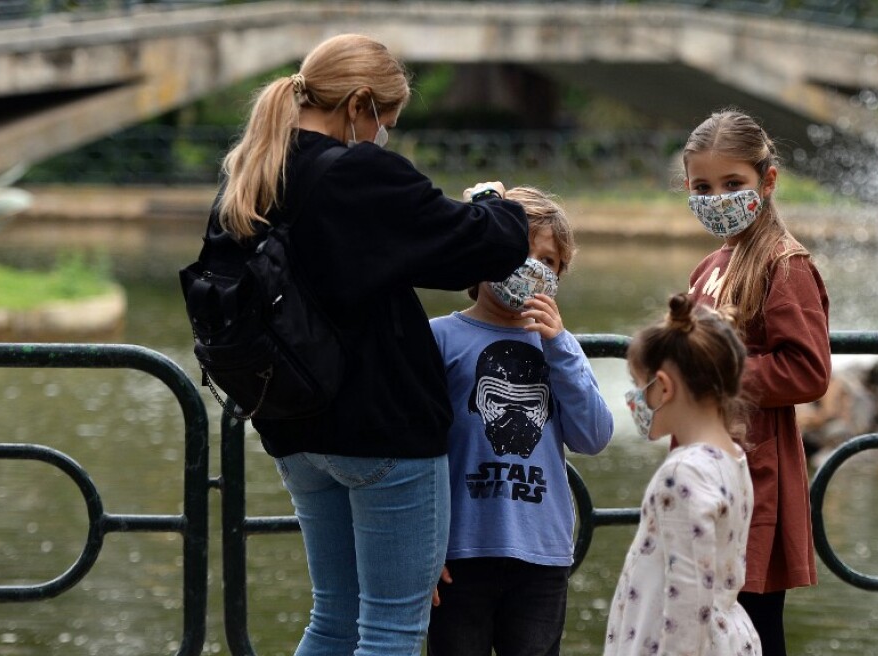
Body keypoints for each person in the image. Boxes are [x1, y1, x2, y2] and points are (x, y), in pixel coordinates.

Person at [205, 34, 529, 655]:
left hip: (293, 424)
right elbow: (488, 244)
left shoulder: (251, 172)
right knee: (391, 628)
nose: (385, 134)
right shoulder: (356, 172)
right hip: (382, 430)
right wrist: (496, 202)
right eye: (387, 120)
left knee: (332, 619)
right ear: (360, 105)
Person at [426, 186, 614, 656]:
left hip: (542, 555)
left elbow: (594, 435)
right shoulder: (440, 339)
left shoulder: (558, 349)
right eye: (519, 251)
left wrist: (561, 346)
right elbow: (413, 451)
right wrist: (422, 550)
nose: (532, 267)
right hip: (458, 554)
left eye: (548, 261)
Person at [681, 109, 832, 656]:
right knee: (706, 625)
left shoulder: (783, 264)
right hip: (701, 470)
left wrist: (715, 371)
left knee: (754, 625)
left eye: (732, 184)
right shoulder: (708, 267)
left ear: (766, 182)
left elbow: (808, 369)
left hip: (756, 477)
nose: (717, 197)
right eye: (703, 186)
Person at [605, 293, 761, 656]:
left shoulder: (682, 473)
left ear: (663, 386)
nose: (634, 398)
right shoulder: (732, 457)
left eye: (638, 383)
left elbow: (689, 597)